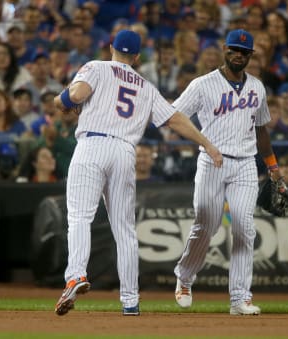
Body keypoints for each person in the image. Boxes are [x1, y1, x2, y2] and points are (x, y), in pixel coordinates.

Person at [53, 30, 223, 317]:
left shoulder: (96, 66)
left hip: (92, 144)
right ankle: (130, 300)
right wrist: (207, 143)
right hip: (124, 152)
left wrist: (61, 101)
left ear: (111, 48)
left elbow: (77, 95)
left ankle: (76, 275)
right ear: (137, 57)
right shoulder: (145, 85)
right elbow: (175, 119)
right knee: (125, 230)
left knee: (80, 217)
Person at [172, 29, 285, 316]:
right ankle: (184, 278)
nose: (238, 55)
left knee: (244, 228)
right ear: (224, 49)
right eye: (234, 49)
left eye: (244, 52)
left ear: (250, 56)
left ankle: (240, 298)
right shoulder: (203, 84)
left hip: (246, 164)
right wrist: (204, 143)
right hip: (212, 161)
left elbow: (261, 131)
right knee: (205, 225)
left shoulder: (257, 87)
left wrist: (273, 168)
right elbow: (174, 116)